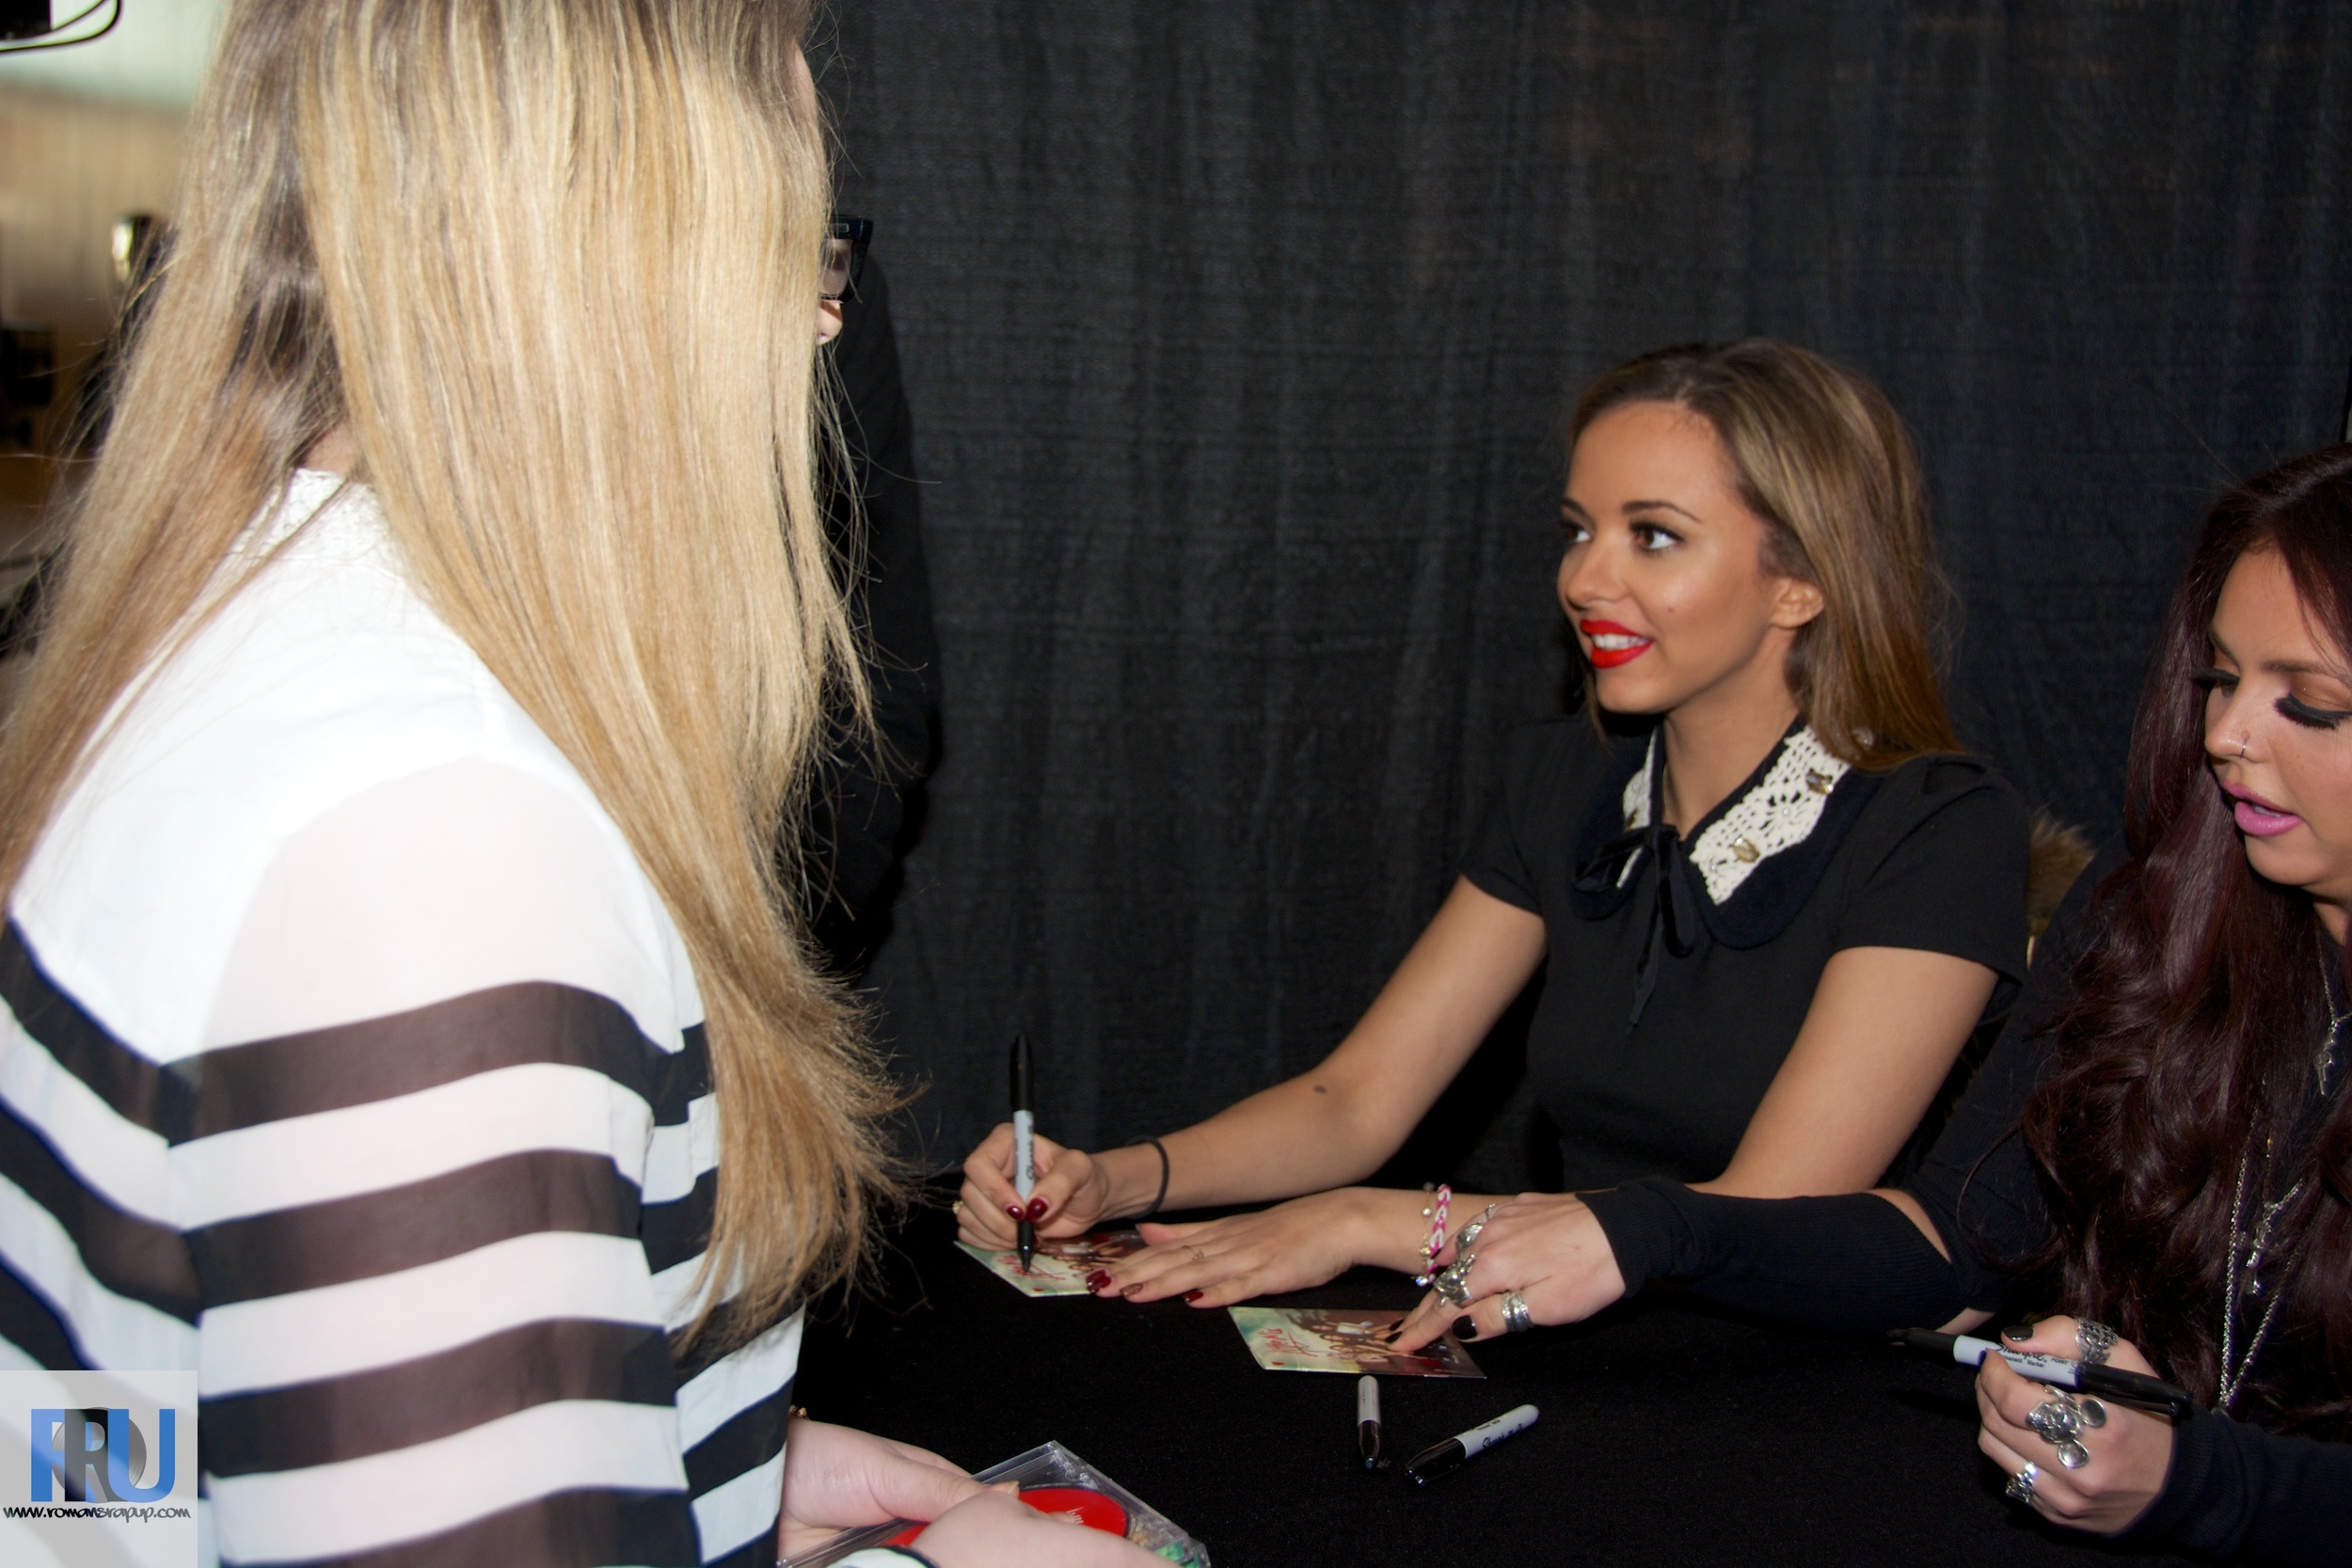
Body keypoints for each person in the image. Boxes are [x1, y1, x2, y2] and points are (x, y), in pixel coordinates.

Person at [0, 4, 1147, 1565]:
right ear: (616, 265)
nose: (819, 340)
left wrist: (692, 1462)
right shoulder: (437, 850)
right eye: (801, 260)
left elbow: (83, 1434)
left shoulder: (222, 642)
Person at [1391, 445, 2352, 1564]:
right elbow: (1954, 1240)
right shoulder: (2149, 917)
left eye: (2313, 704)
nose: (2228, 734)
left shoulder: (1939, 826)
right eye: (2222, 680)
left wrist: (2205, 1479)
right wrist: (1647, 1226)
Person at [961, 340, 2035, 1307]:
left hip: (1792, 1387)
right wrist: (1110, 1175)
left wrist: (1368, 1220)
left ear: (1799, 581)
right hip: (1563, 1335)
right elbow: (1357, 1100)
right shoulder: (1563, 778)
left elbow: (1759, 1218)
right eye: (1579, 530)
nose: (1584, 578)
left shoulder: (1939, 829)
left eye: (1652, 537)